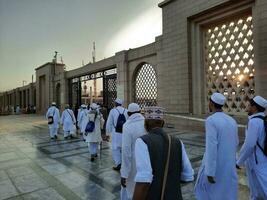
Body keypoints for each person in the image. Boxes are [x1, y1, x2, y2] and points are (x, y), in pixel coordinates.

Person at [133, 106, 194, 200]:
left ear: (145, 123)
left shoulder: (142, 141)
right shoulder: (178, 142)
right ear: (163, 123)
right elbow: (188, 175)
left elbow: (143, 181)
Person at [194, 93, 239, 200]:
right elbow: (236, 142)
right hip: (229, 164)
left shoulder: (211, 120)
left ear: (212, 103)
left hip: (216, 166)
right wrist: (235, 160)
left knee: (208, 192)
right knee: (227, 192)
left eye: (209, 103)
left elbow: (211, 147)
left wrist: (209, 172)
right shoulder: (232, 120)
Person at [236, 96, 267, 199]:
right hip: (263, 158)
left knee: (261, 186)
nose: (247, 107)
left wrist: (239, 161)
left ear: (255, 108)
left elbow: (250, 145)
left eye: (249, 105)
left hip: (256, 161)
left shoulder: (254, 122)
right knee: (257, 189)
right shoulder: (264, 120)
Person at [120, 103, 147, 200]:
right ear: (140, 111)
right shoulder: (146, 123)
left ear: (128, 113)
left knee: (130, 189)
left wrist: (124, 173)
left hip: (133, 163)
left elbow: (126, 150)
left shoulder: (127, 126)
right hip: (146, 161)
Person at [106, 98, 128, 171]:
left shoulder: (113, 111)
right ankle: (124, 163)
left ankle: (119, 163)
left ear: (116, 103)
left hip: (116, 132)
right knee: (123, 148)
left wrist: (107, 133)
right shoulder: (126, 110)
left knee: (116, 148)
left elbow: (109, 122)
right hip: (124, 132)